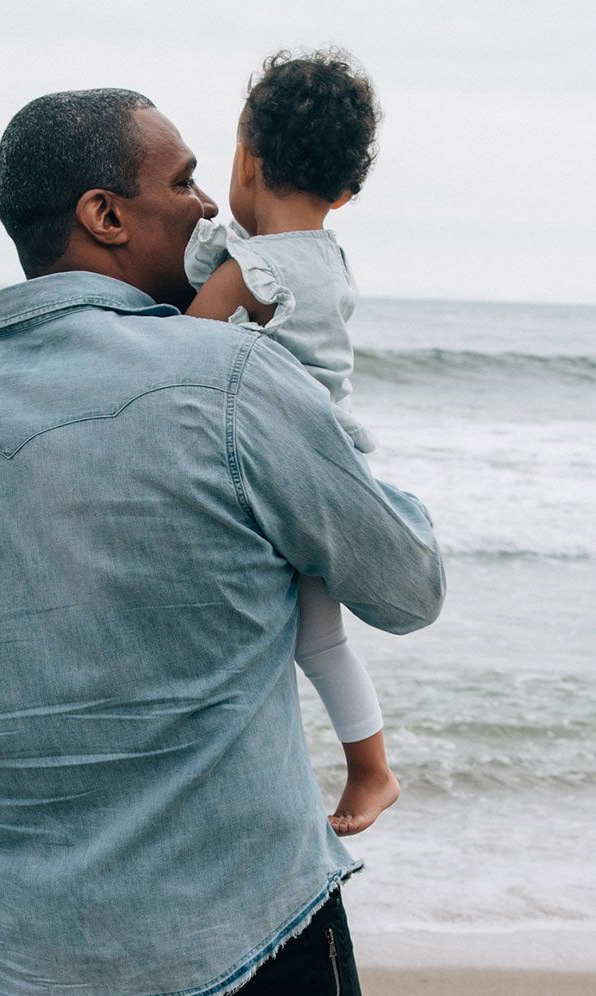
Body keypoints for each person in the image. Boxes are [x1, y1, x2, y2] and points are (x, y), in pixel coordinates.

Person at [0, 90, 443, 996]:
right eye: (182, 182)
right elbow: (408, 588)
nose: (205, 209)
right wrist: (339, 454)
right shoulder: (231, 377)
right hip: (255, 931)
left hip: (41, 965)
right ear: (104, 216)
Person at [185, 47, 398, 836]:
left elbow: (179, 352)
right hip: (325, 468)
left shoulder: (255, 271)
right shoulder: (329, 261)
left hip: (272, 479)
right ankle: (371, 769)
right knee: (321, 638)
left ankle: (352, 774)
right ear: (345, 191)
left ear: (246, 156)